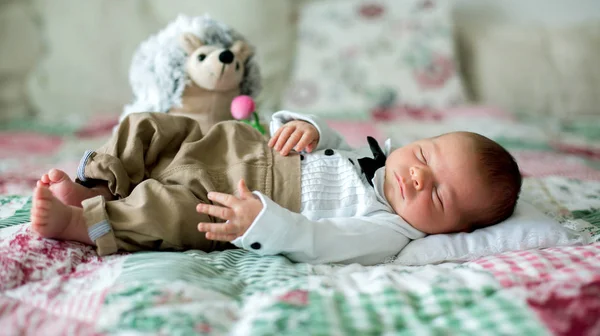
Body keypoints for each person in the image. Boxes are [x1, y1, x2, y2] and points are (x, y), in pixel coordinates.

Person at [30, 111, 522, 265]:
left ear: (449, 230)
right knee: (152, 128)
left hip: (244, 196)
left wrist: (260, 222)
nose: (417, 176)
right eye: (424, 155)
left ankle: (84, 220)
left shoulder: (388, 231)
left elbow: (320, 242)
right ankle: (94, 181)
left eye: (437, 194)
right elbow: (323, 139)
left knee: (171, 213)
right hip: (233, 143)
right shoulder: (370, 153)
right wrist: (305, 125)